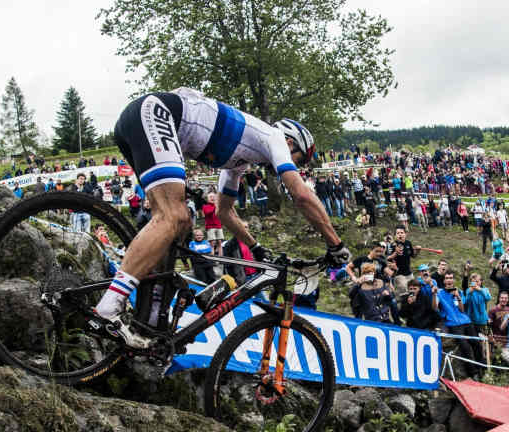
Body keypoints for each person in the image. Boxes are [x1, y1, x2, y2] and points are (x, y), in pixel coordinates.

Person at [92, 88, 345, 348]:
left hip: (143, 119)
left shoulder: (239, 161)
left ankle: (151, 315)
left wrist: (255, 247)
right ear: (291, 144)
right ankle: (110, 305)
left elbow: (225, 211)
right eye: (298, 160)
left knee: (181, 226)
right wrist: (336, 245)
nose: (296, 166)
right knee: (173, 216)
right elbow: (300, 194)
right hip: (156, 114)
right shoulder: (274, 137)